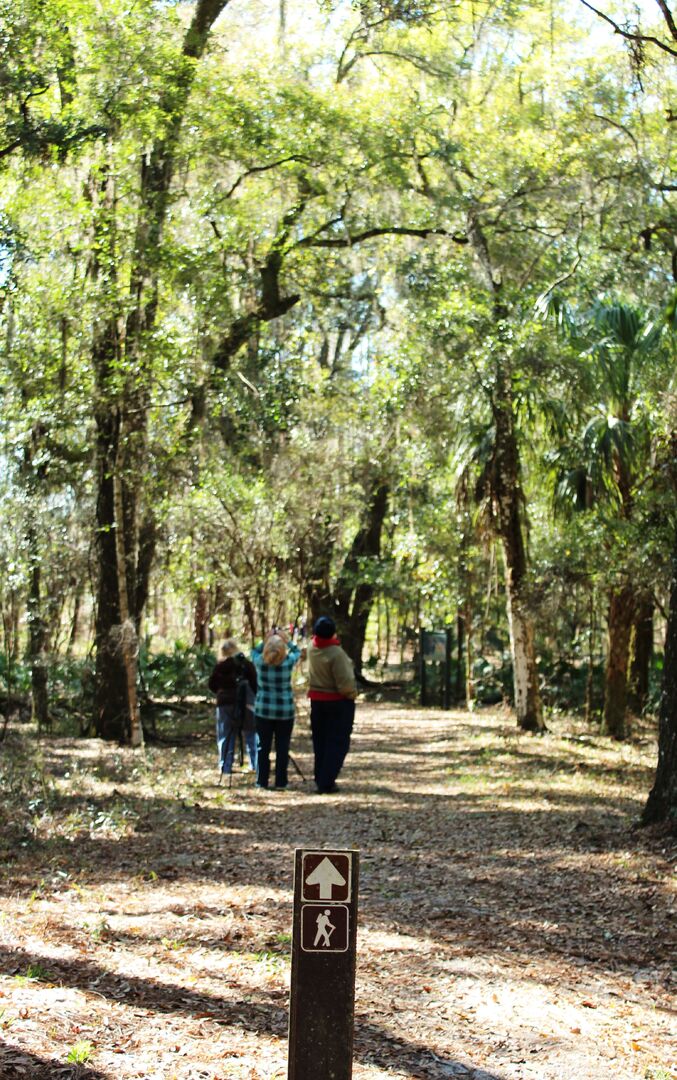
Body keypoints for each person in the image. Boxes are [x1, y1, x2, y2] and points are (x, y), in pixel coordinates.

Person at [307, 616, 357, 794]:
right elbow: (345, 682)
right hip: (338, 703)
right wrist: (352, 695)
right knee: (338, 742)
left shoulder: (312, 648)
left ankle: (321, 776)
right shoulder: (336, 653)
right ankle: (326, 781)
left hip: (317, 702)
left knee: (320, 741)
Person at [251, 631, 301, 790]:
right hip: (285, 710)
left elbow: (253, 651)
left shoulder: (259, 662)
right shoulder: (287, 662)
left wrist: (265, 640)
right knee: (282, 746)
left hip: (263, 710)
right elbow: (297, 652)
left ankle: (262, 781)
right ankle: (281, 781)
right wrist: (287, 640)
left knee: (263, 746)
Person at [208, 639, 258, 779]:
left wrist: (221, 691)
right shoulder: (246, 664)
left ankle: (225, 765)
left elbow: (211, 684)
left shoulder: (220, 666)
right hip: (246, 702)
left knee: (225, 734)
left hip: (225, 702)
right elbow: (255, 683)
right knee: (250, 732)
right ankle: (255, 763)